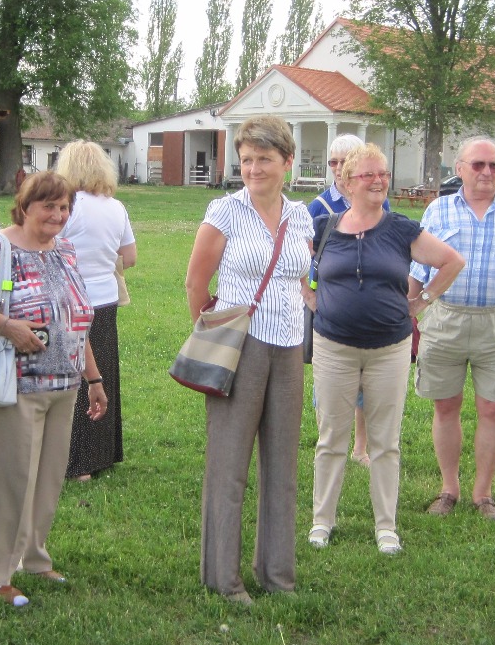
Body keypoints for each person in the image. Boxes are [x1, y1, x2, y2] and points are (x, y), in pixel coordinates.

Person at [306, 143, 464, 554]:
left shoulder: (400, 229)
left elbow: (452, 261)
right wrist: (309, 298)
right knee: (331, 438)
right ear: (347, 182)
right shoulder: (323, 227)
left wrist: (422, 301)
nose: (378, 181)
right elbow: (293, 265)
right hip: (333, 346)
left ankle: (386, 527)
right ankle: (322, 520)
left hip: (389, 348)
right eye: (368, 175)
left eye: (384, 174)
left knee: (385, 441)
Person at [0, 171, 107, 604]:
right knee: (9, 481)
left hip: (66, 384)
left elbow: (77, 320)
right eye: (49, 207)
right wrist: (8, 326)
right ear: (24, 207)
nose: (58, 216)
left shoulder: (65, 249)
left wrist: (93, 378)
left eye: (64, 208)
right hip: (17, 384)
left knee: (47, 480)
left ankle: (34, 558)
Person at [184, 115, 313, 605]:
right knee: (229, 466)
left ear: (287, 161)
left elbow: (299, 277)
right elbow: (196, 283)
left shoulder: (300, 216)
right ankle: (223, 577)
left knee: (282, 467)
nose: (254, 169)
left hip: (290, 346)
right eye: (246, 160)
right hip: (241, 348)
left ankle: (277, 574)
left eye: (264, 159)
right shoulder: (225, 211)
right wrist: (217, 337)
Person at [410, 136, 495, 521]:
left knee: (494, 409)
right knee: (445, 405)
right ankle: (448, 489)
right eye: (478, 164)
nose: (486, 172)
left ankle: (483, 494)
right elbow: (418, 268)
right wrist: (410, 314)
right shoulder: (438, 210)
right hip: (445, 319)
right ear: (459, 169)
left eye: (494, 166)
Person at [55, 140, 137, 481]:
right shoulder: (116, 207)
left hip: (69, 299)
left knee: (74, 378)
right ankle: (102, 453)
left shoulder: (65, 207)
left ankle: (76, 462)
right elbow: (130, 257)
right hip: (104, 299)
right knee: (102, 374)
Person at [307, 132, 386, 465]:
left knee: (365, 382)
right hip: (329, 301)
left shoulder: (379, 202)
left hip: (369, 302)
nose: (338, 169)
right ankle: (329, 442)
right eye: (333, 163)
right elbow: (306, 257)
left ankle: (360, 447)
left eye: (345, 162)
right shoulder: (319, 207)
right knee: (327, 379)